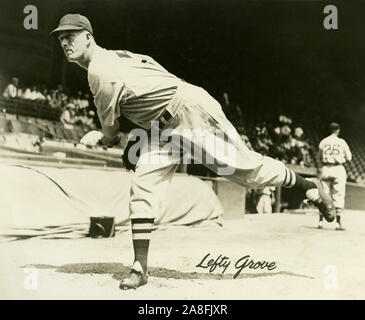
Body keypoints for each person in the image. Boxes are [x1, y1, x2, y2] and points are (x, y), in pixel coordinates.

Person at [50, 14, 336, 290]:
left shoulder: (99, 70)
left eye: (71, 35)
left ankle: (309, 187)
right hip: (160, 125)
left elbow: (111, 133)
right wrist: (141, 135)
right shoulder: (115, 55)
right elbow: (151, 76)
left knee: (243, 171)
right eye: (61, 37)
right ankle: (139, 267)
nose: (65, 42)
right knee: (143, 186)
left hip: (187, 112)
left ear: (88, 37)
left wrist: (105, 137)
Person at [318, 122, 352, 230]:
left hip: (326, 168)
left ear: (330, 130)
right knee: (338, 194)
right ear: (338, 130)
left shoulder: (323, 141)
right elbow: (349, 157)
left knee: (324, 194)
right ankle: (338, 223)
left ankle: (320, 222)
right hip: (338, 168)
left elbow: (319, 157)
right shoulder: (341, 142)